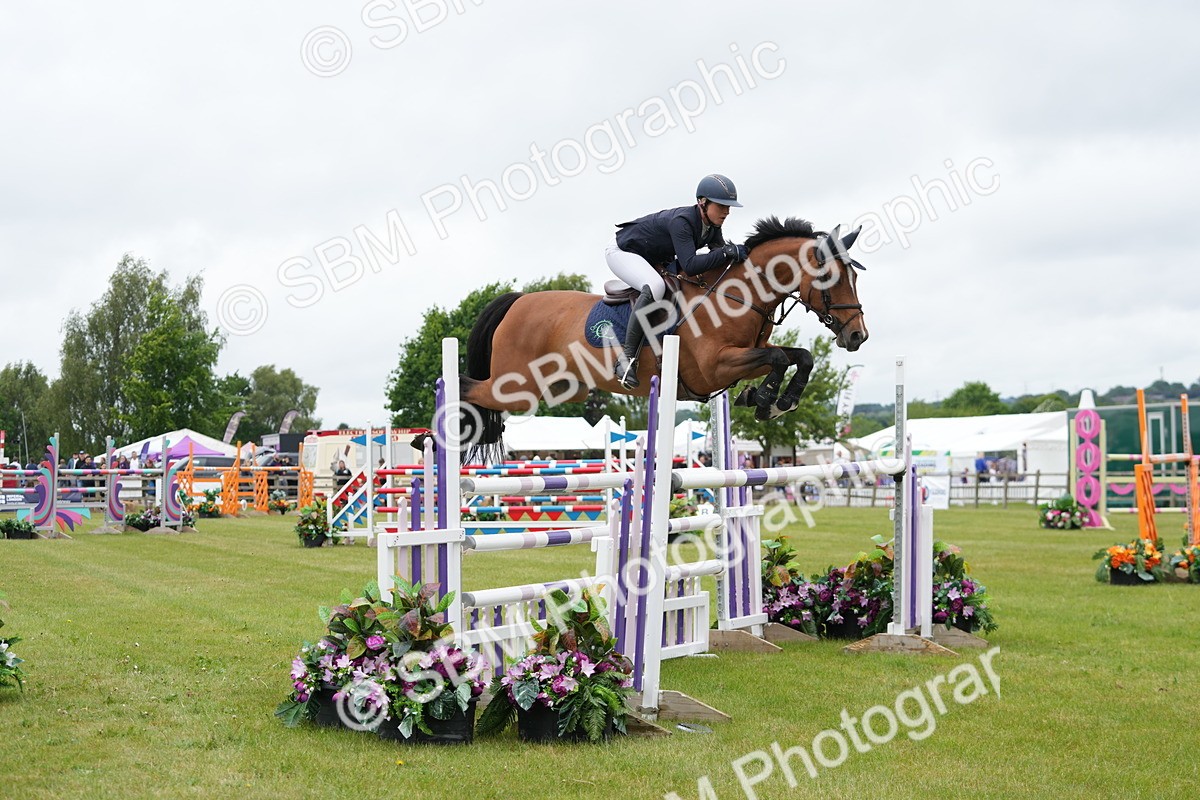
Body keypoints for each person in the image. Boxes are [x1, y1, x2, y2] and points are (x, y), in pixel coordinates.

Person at [606, 173, 748, 388]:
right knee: (655, 286)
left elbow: (719, 257)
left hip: (652, 256)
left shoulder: (712, 226)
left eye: (728, 207)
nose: (727, 212)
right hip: (623, 252)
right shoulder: (682, 222)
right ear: (703, 202)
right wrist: (727, 252)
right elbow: (690, 265)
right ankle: (626, 360)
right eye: (721, 206)